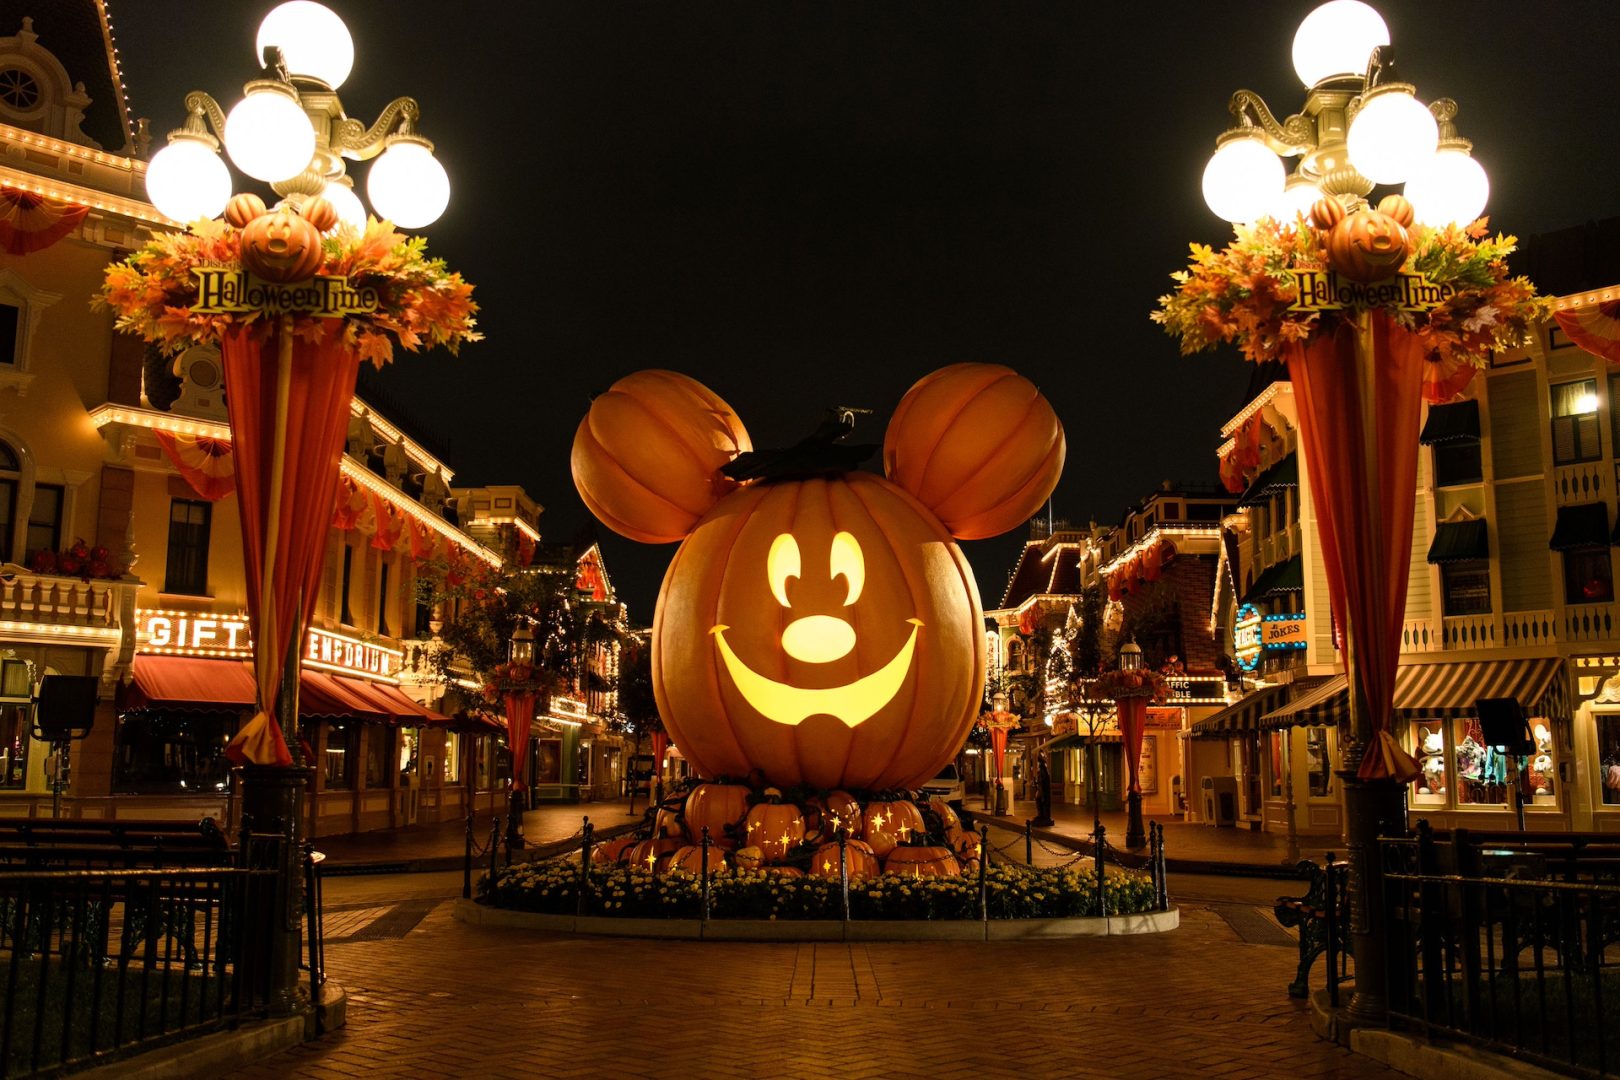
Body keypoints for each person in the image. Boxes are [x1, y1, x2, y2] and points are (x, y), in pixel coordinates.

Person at [1033, 754, 1054, 827]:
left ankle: (1043, 816)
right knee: (1039, 801)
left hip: (1043, 790)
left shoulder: (1043, 769)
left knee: (1042, 801)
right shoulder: (1042, 769)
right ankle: (1041, 815)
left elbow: (1043, 779)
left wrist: (1039, 782)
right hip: (1041, 789)